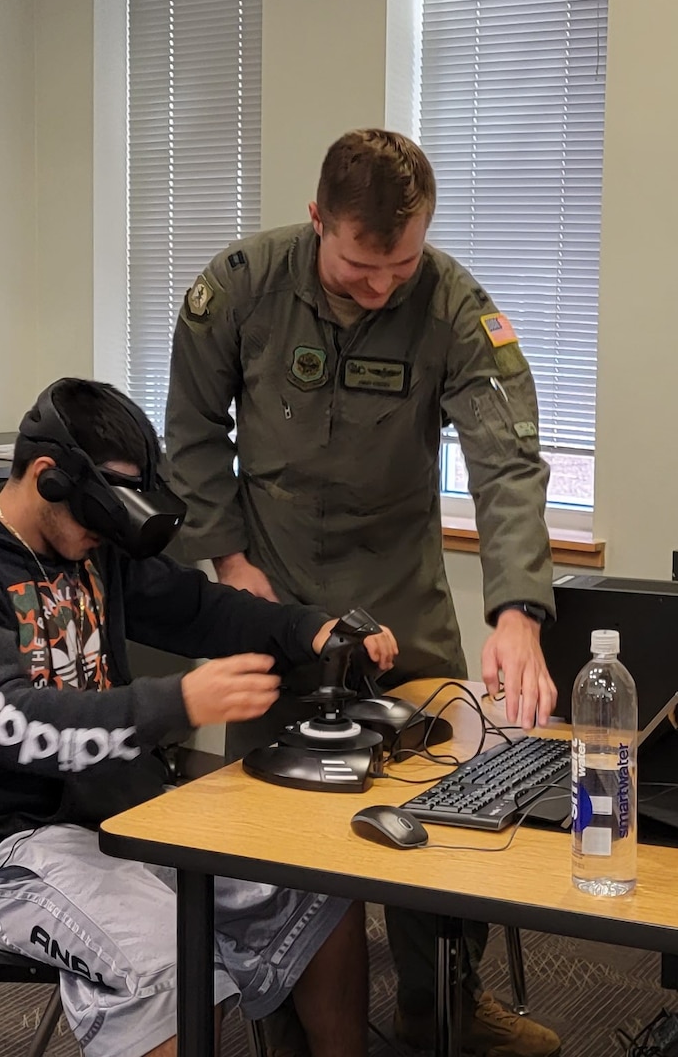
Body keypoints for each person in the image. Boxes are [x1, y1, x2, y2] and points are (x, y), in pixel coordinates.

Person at [164, 129, 560, 1056]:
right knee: (275, 832)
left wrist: (516, 614)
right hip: (271, 588)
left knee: (445, 808)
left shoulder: (454, 303)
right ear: (315, 223)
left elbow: (507, 463)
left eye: (402, 262)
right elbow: (186, 433)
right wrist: (229, 566)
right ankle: (290, 1028)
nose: (382, 285)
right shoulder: (241, 288)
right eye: (359, 264)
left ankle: (443, 1008)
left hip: (400, 587)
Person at [0, 378, 394, 1057]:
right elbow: (11, 723)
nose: (97, 540)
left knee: (315, 886)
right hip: (9, 850)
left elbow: (200, 608)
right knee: (169, 959)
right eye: (91, 521)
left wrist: (310, 629)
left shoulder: (93, 550)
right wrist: (178, 703)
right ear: (46, 478)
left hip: (126, 815)